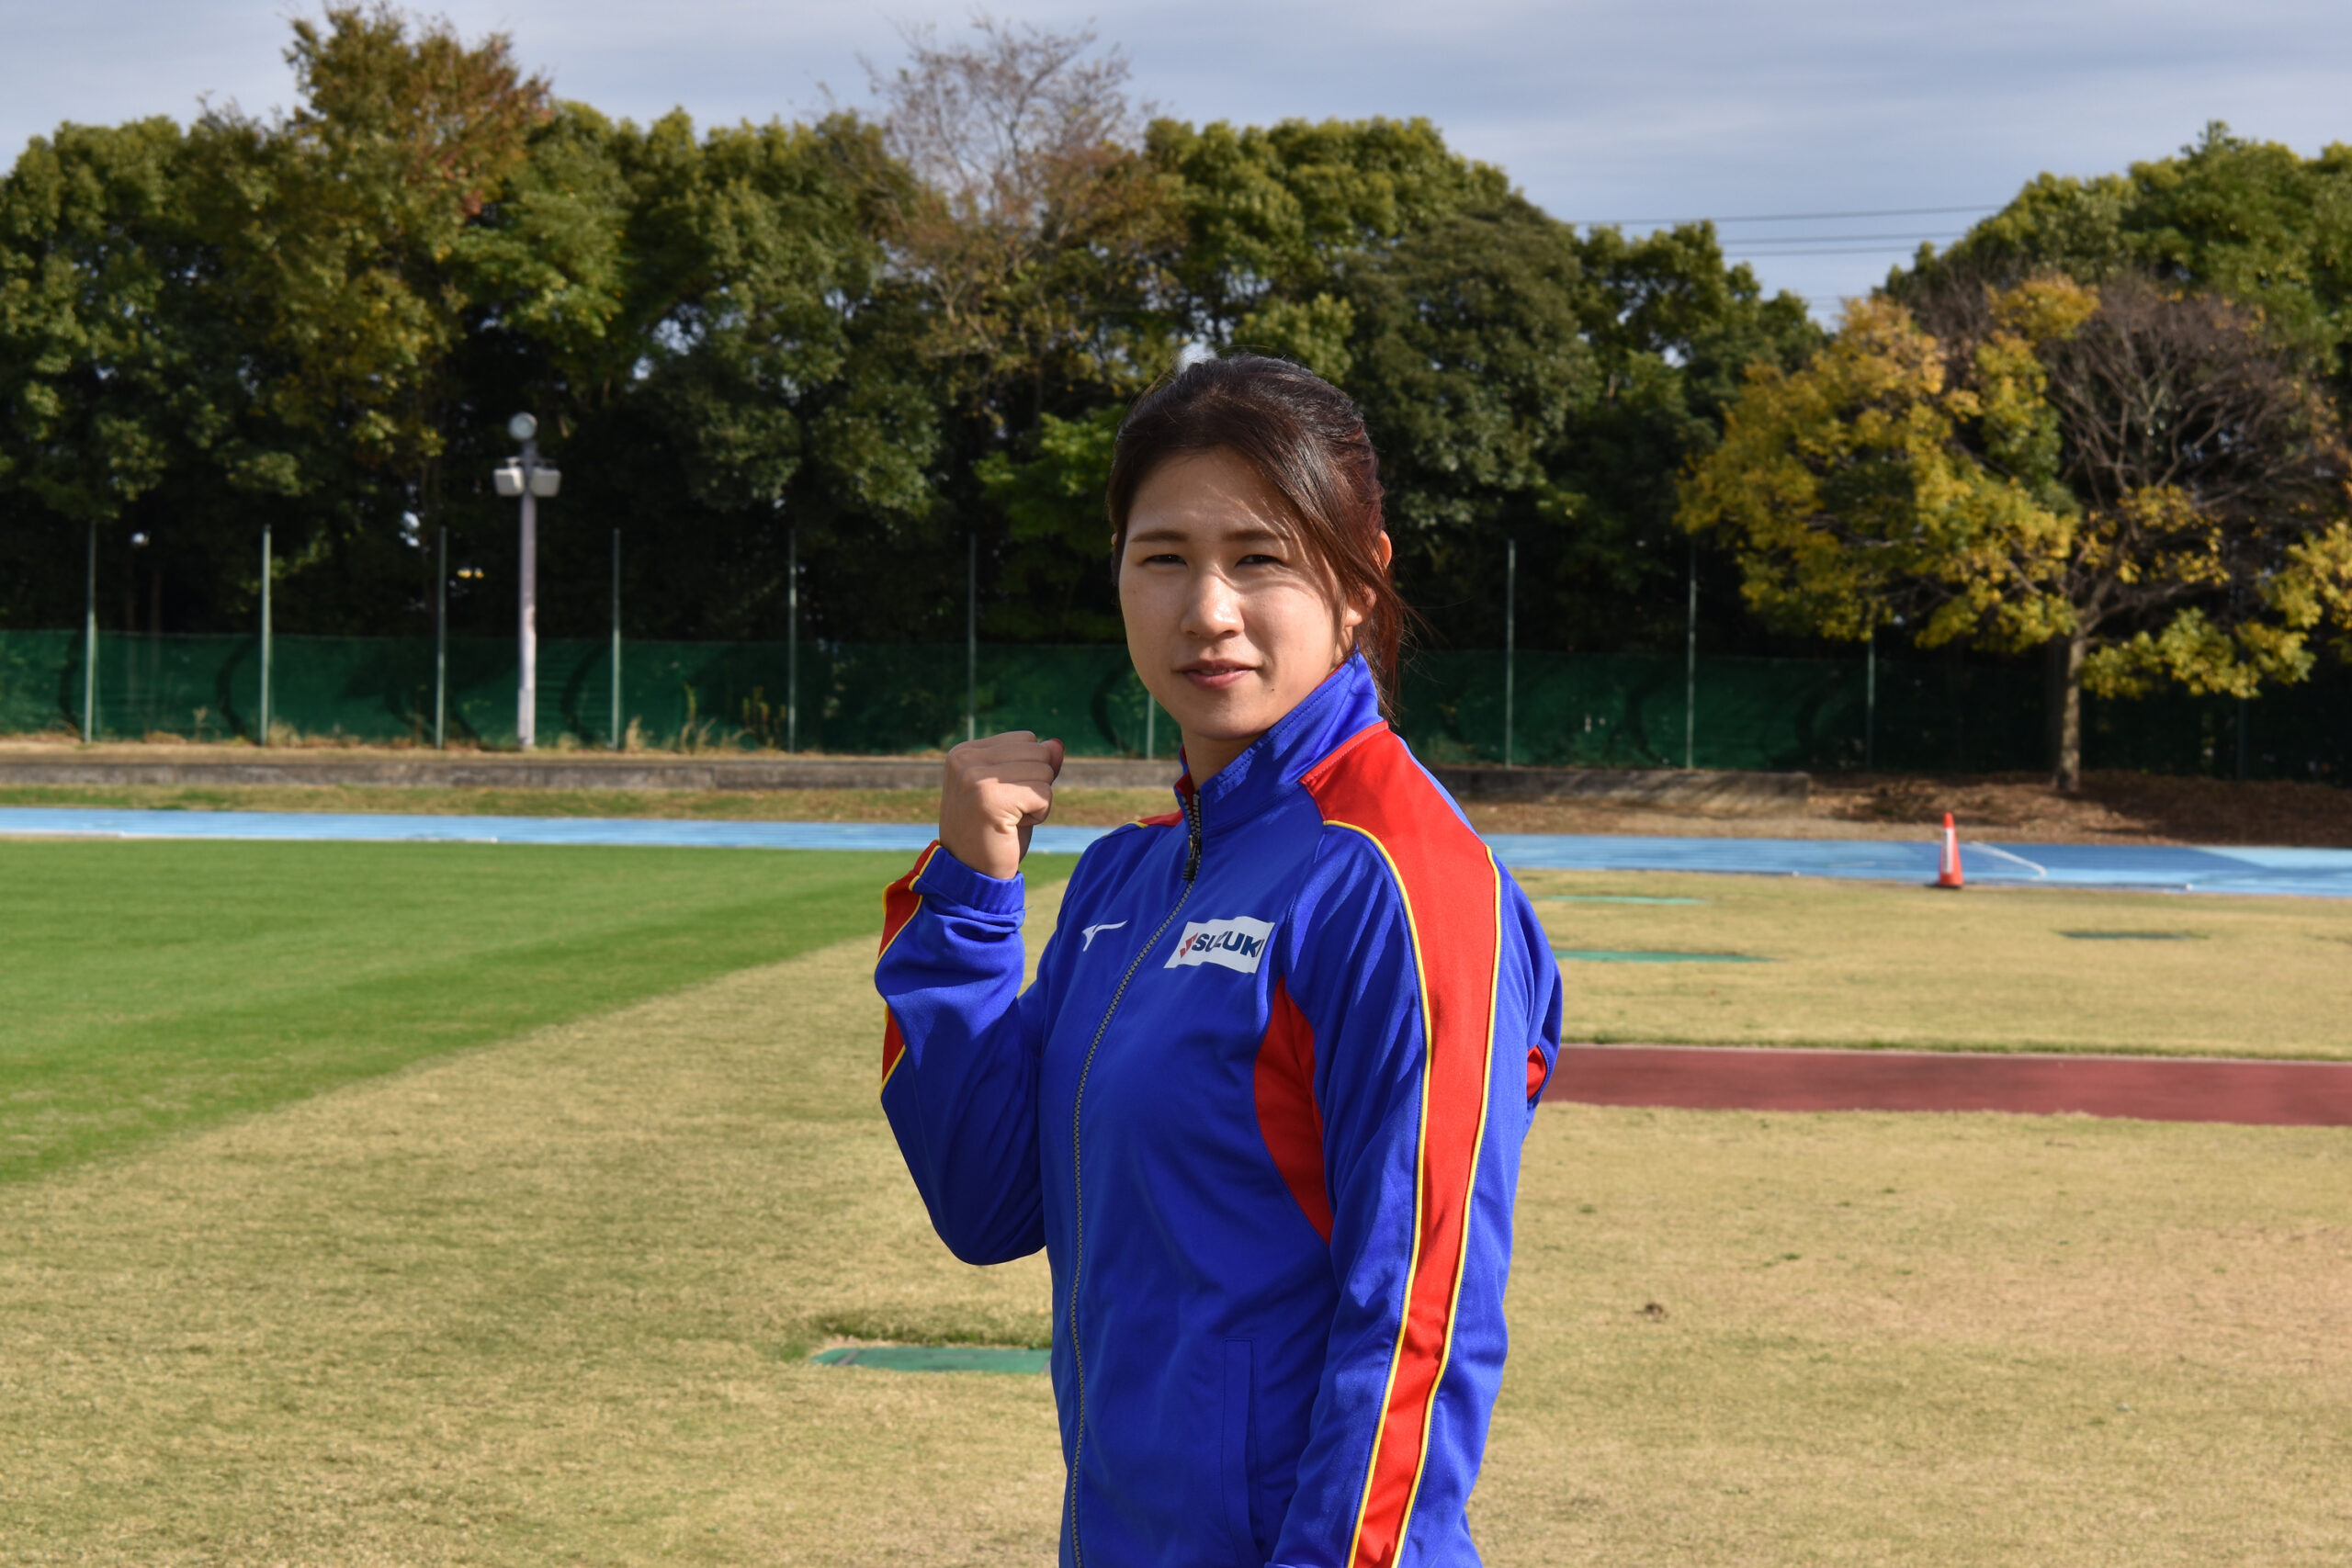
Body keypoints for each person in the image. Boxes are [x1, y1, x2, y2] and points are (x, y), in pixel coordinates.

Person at [873, 354, 1561, 1567]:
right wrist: (975, 897)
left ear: (1361, 583)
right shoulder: (1123, 882)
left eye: (1260, 556)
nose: (1209, 609)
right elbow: (987, 1200)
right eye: (1164, 558)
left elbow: (1419, 1320)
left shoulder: (1398, 883)